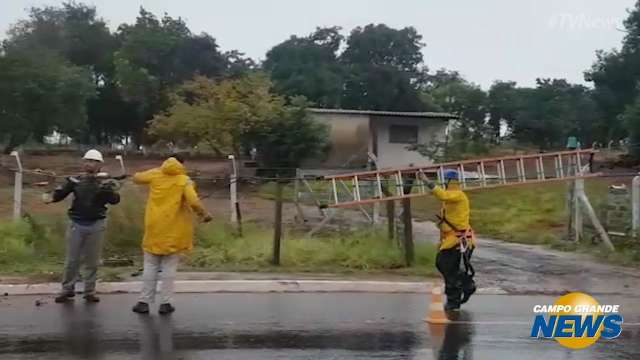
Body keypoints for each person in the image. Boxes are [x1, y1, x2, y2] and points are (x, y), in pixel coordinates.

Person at [131, 154, 212, 315]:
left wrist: (152, 172)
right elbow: (194, 201)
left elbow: (137, 178)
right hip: (174, 230)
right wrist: (204, 214)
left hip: (153, 227)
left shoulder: (156, 174)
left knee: (150, 265)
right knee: (169, 267)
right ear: (182, 164)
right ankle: (166, 303)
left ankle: (143, 302)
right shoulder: (184, 180)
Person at [50, 149, 121, 304]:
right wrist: (58, 189)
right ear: (83, 163)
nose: (90, 164)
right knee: (72, 260)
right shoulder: (76, 180)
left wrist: (107, 190)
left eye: (94, 162)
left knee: (92, 261)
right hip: (76, 222)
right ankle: (67, 290)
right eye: (88, 161)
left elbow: (115, 200)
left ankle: (89, 291)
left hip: (97, 223)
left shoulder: (105, 182)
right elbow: (58, 197)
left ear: (100, 165)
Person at [426, 170, 476, 311]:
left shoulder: (457, 195)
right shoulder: (449, 200)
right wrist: (440, 241)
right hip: (452, 239)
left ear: (449, 181)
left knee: (447, 267)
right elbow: (445, 223)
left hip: (460, 240)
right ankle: (467, 285)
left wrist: (428, 183)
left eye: (444, 181)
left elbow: (443, 194)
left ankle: (454, 300)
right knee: (444, 265)